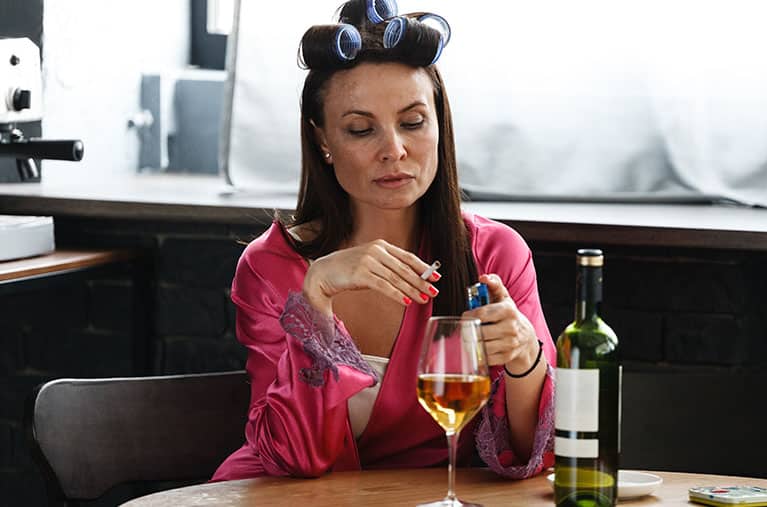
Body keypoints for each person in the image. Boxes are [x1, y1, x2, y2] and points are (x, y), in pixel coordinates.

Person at [212, 0, 555, 481]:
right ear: (322, 141)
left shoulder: (494, 254)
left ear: (439, 125)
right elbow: (293, 458)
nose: (393, 150)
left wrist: (524, 357)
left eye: (413, 122)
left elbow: (533, 459)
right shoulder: (271, 265)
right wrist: (316, 300)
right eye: (360, 129)